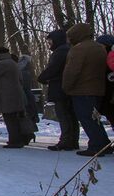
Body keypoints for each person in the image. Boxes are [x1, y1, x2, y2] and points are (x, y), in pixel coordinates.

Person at [62, 23, 111, 156]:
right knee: (94, 118)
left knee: (86, 118)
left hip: (82, 90)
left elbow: (72, 71)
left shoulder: (78, 49)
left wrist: (66, 87)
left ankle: (97, 145)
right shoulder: (100, 48)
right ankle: (103, 143)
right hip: (98, 89)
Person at [37, 29, 79, 151]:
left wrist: (42, 77)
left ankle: (66, 140)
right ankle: (72, 140)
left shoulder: (60, 52)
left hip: (60, 88)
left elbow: (53, 69)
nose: (49, 43)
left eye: (50, 41)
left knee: (64, 115)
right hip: (66, 87)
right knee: (70, 115)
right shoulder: (67, 50)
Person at [0, 47, 27, 148]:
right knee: (14, 118)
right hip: (15, 94)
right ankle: (18, 139)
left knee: (9, 119)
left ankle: (14, 141)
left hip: (6, 95)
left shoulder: (1, 64)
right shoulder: (12, 63)